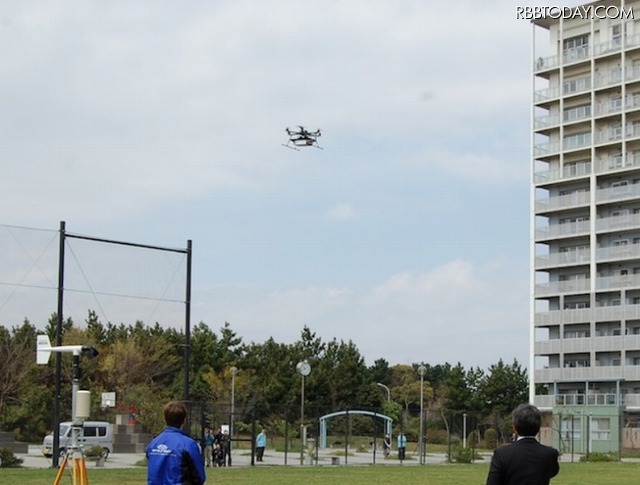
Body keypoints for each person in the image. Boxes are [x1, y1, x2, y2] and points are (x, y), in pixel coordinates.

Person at [486, 403, 559, 485]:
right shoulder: (550, 454)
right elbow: (552, 472)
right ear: (538, 428)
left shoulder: (502, 454)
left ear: (515, 428)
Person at [147, 401, 206, 485]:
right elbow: (199, 476)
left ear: (165, 419)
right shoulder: (188, 444)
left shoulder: (153, 443)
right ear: (184, 421)